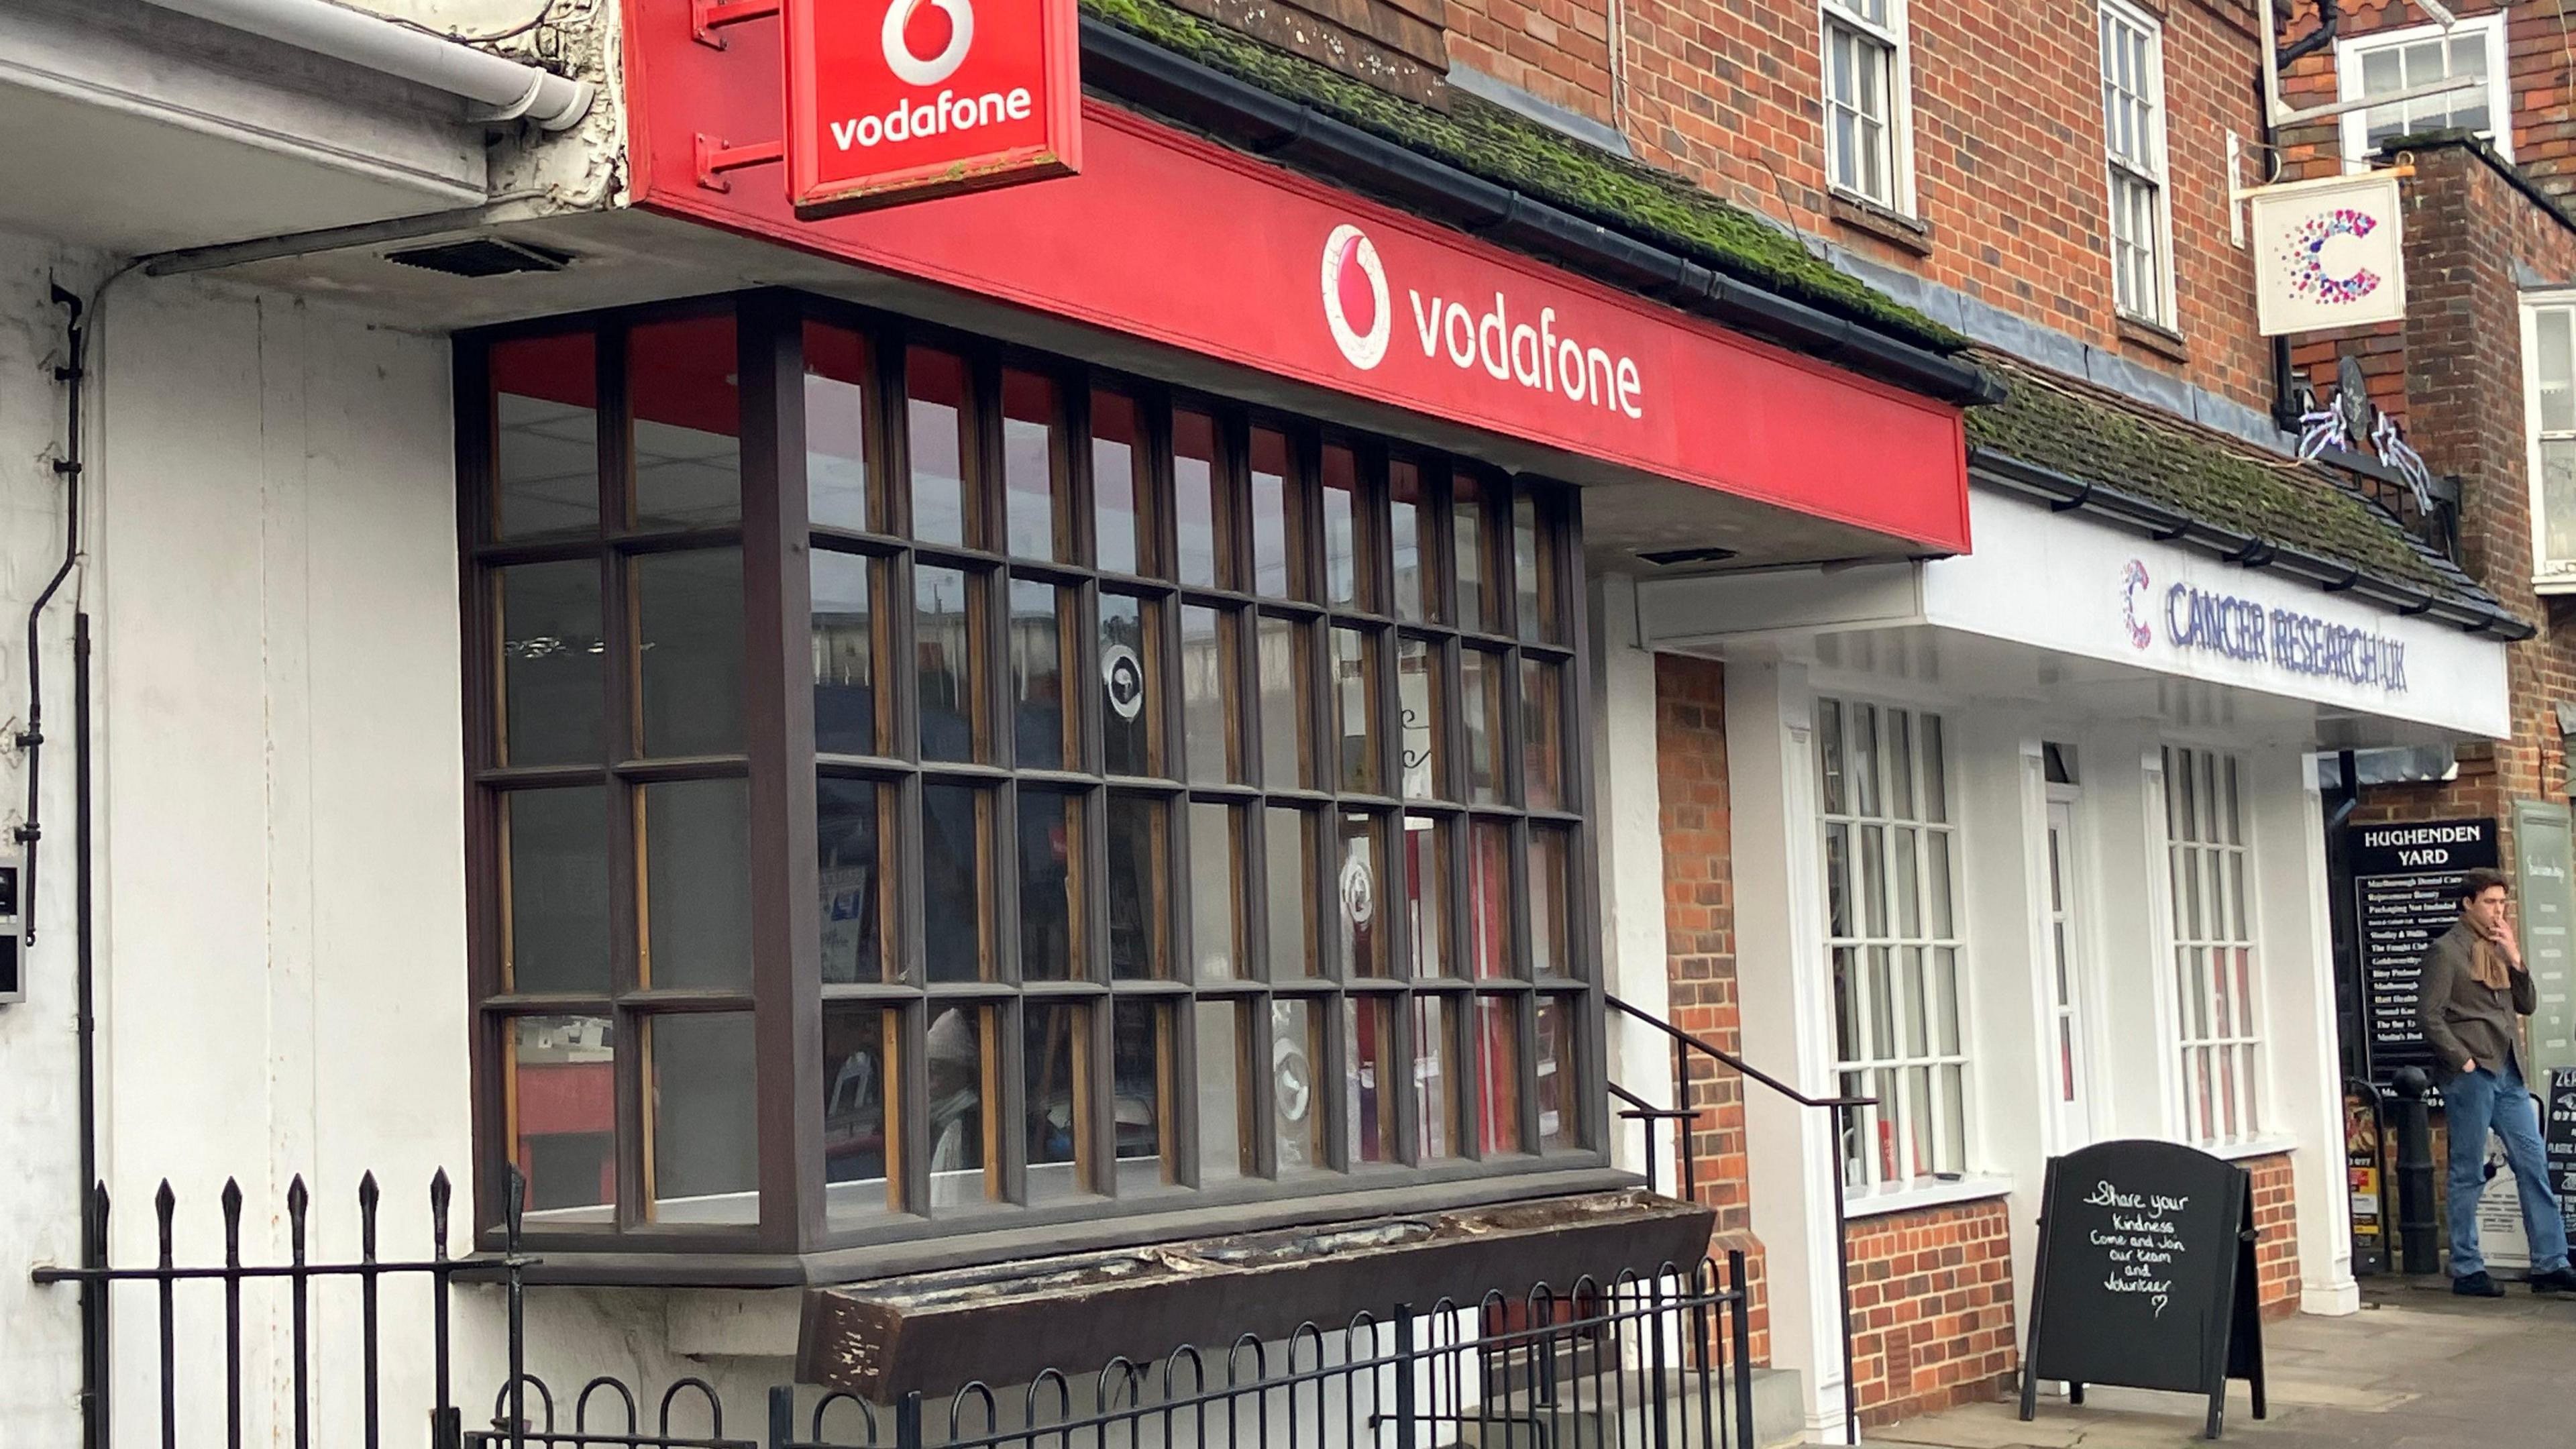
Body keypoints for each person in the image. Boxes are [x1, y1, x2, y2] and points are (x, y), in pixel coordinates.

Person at [2419, 867, 2576, 1295]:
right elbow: (2429, 1016)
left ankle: (2550, 1264)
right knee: (2468, 1173)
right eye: (2489, 902)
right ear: (2467, 903)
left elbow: (2527, 1005)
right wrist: (2463, 1061)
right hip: (2472, 1075)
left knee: (2533, 1164)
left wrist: (2515, 958)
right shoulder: (2445, 952)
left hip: (2509, 1071)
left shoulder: (2498, 946)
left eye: (2502, 902)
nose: (2497, 910)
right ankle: (2467, 1268)